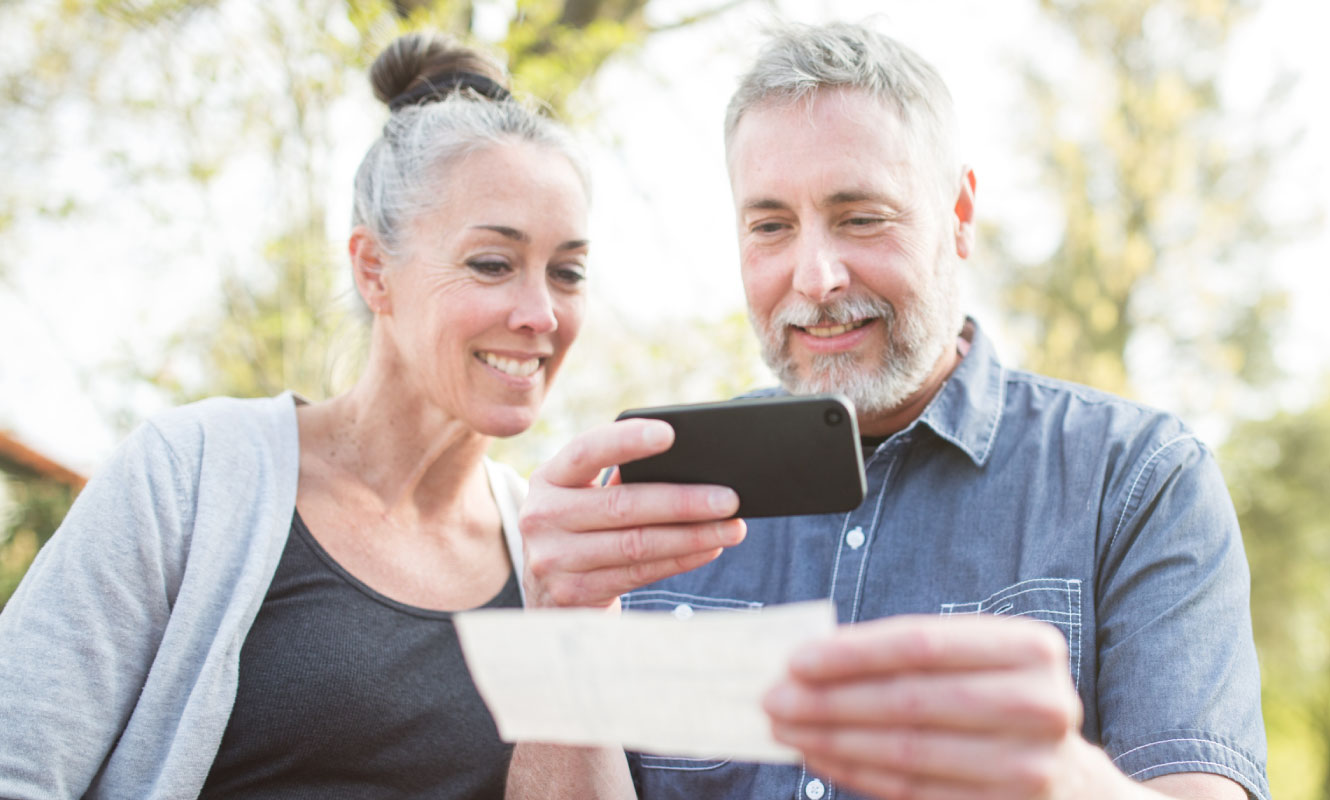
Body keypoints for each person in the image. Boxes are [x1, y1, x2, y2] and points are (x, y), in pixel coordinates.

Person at [512, 22, 1268, 800]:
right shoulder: (643, 504)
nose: (816, 276)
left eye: (862, 217)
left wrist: (1062, 780)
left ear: (960, 216)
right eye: (771, 226)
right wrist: (562, 636)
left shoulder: (1139, 482)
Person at [0, 32, 591, 799]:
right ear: (374, 270)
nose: (540, 313)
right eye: (492, 263)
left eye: (568, 271)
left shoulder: (552, 554)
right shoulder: (188, 476)